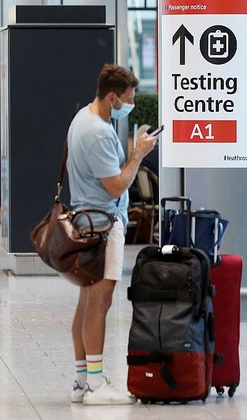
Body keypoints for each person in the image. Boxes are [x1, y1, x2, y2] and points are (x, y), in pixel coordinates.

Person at [66, 64, 157, 405]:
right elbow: (116, 185)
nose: (130, 104)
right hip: (102, 224)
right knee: (99, 303)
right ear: (112, 98)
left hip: (88, 221)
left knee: (87, 301)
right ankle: (95, 385)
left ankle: (81, 381)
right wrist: (138, 154)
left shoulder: (83, 119)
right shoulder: (98, 133)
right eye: (128, 99)